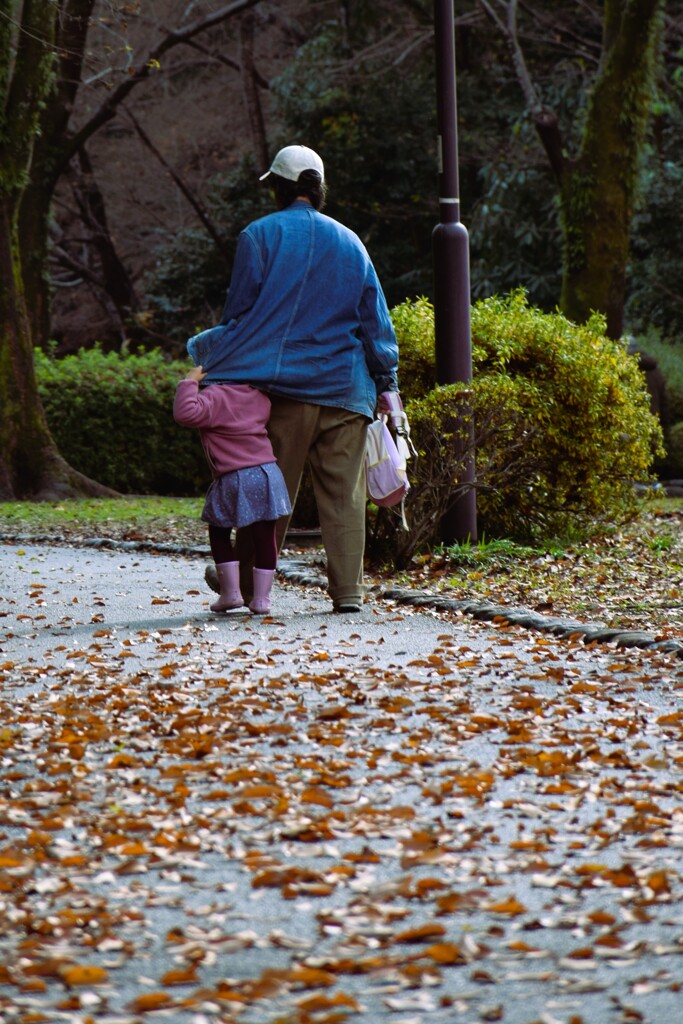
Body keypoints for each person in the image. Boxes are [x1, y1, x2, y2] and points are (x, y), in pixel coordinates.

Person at [195, 144, 402, 613]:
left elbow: (240, 317)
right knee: (345, 497)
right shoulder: (351, 242)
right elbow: (376, 323)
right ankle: (348, 593)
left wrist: (209, 361)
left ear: (280, 188)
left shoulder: (259, 236)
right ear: (319, 188)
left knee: (270, 493)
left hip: (281, 391)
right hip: (346, 389)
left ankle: (247, 584)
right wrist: (387, 384)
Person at [173, 362, 291, 615]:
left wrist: (189, 382)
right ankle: (262, 600)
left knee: (219, 531)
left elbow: (184, 413)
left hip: (234, 475)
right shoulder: (257, 394)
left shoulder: (214, 397)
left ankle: (231, 594)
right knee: (264, 535)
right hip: (267, 472)